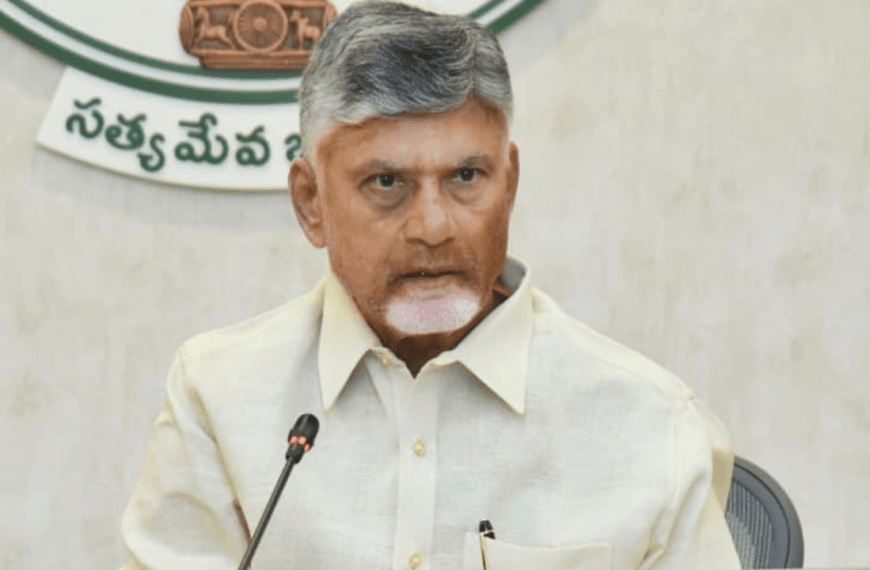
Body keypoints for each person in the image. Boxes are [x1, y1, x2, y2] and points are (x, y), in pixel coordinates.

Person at [120, 2, 742, 569]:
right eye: (387, 183)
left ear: (509, 184)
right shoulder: (219, 397)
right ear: (311, 202)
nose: (434, 228)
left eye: (466, 176)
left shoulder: (649, 424)